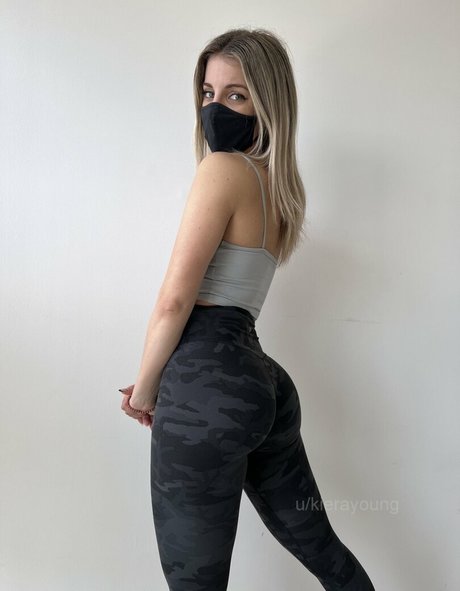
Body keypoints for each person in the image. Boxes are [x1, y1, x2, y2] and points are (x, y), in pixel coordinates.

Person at [117, 28, 375, 591]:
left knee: (195, 582)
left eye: (236, 95)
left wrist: (144, 391)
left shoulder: (222, 170)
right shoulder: (280, 191)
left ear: (268, 103)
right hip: (263, 385)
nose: (215, 108)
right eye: (208, 93)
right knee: (323, 550)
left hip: (204, 386)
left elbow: (175, 301)